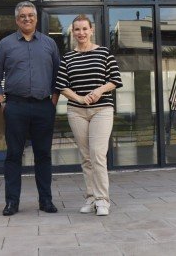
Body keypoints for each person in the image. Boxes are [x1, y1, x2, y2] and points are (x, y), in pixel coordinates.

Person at [0, 1, 60, 216]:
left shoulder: (49, 44)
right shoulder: (6, 44)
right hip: (15, 106)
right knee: (13, 155)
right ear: (16, 20)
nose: (27, 19)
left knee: (43, 155)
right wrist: (2, 102)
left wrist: (53, 102)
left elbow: (59, 76)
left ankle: (45, 201)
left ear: (36, 18)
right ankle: (12, 202)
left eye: (30, 15)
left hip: (43, 106)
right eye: (22, 16)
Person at [55, 14, 122, 216]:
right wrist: (79, 98)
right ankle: (91, 197)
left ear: (91, 30)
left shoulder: (104, 53)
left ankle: (103, 200)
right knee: (86, 157)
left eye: (85, 29)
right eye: (77, 29)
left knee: (97, 155)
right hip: (77, 111)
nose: (81, 33)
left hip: (102, 109)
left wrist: (99, 91)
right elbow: (62, 86)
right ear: (72, 32)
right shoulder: (67, 57)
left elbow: (115, 80)